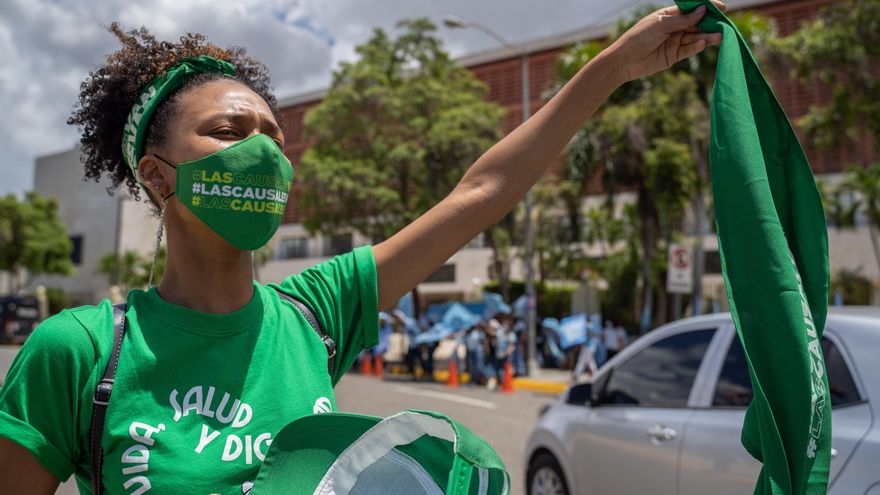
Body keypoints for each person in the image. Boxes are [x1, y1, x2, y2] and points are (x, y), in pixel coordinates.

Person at [0, 4, 724, 492]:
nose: (262, 151)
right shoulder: (80, 350)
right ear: (157, 176)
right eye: (228, 132)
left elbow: (482, 192)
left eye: (274, 136)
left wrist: (614, 67)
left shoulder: (318, 310)